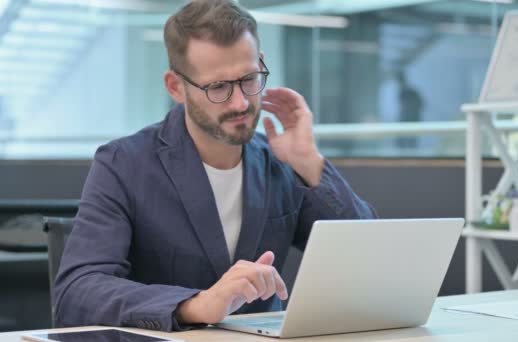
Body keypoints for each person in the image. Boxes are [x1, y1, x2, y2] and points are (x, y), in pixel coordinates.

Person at [53, 0, 376, 332]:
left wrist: (310, 164)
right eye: (218, 87)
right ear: (176, 87)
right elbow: (77, 292)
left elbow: (371, 259)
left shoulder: (281, 159)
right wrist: (194, 305)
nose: (240, 103)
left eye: (249, 79)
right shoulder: (124, 163)